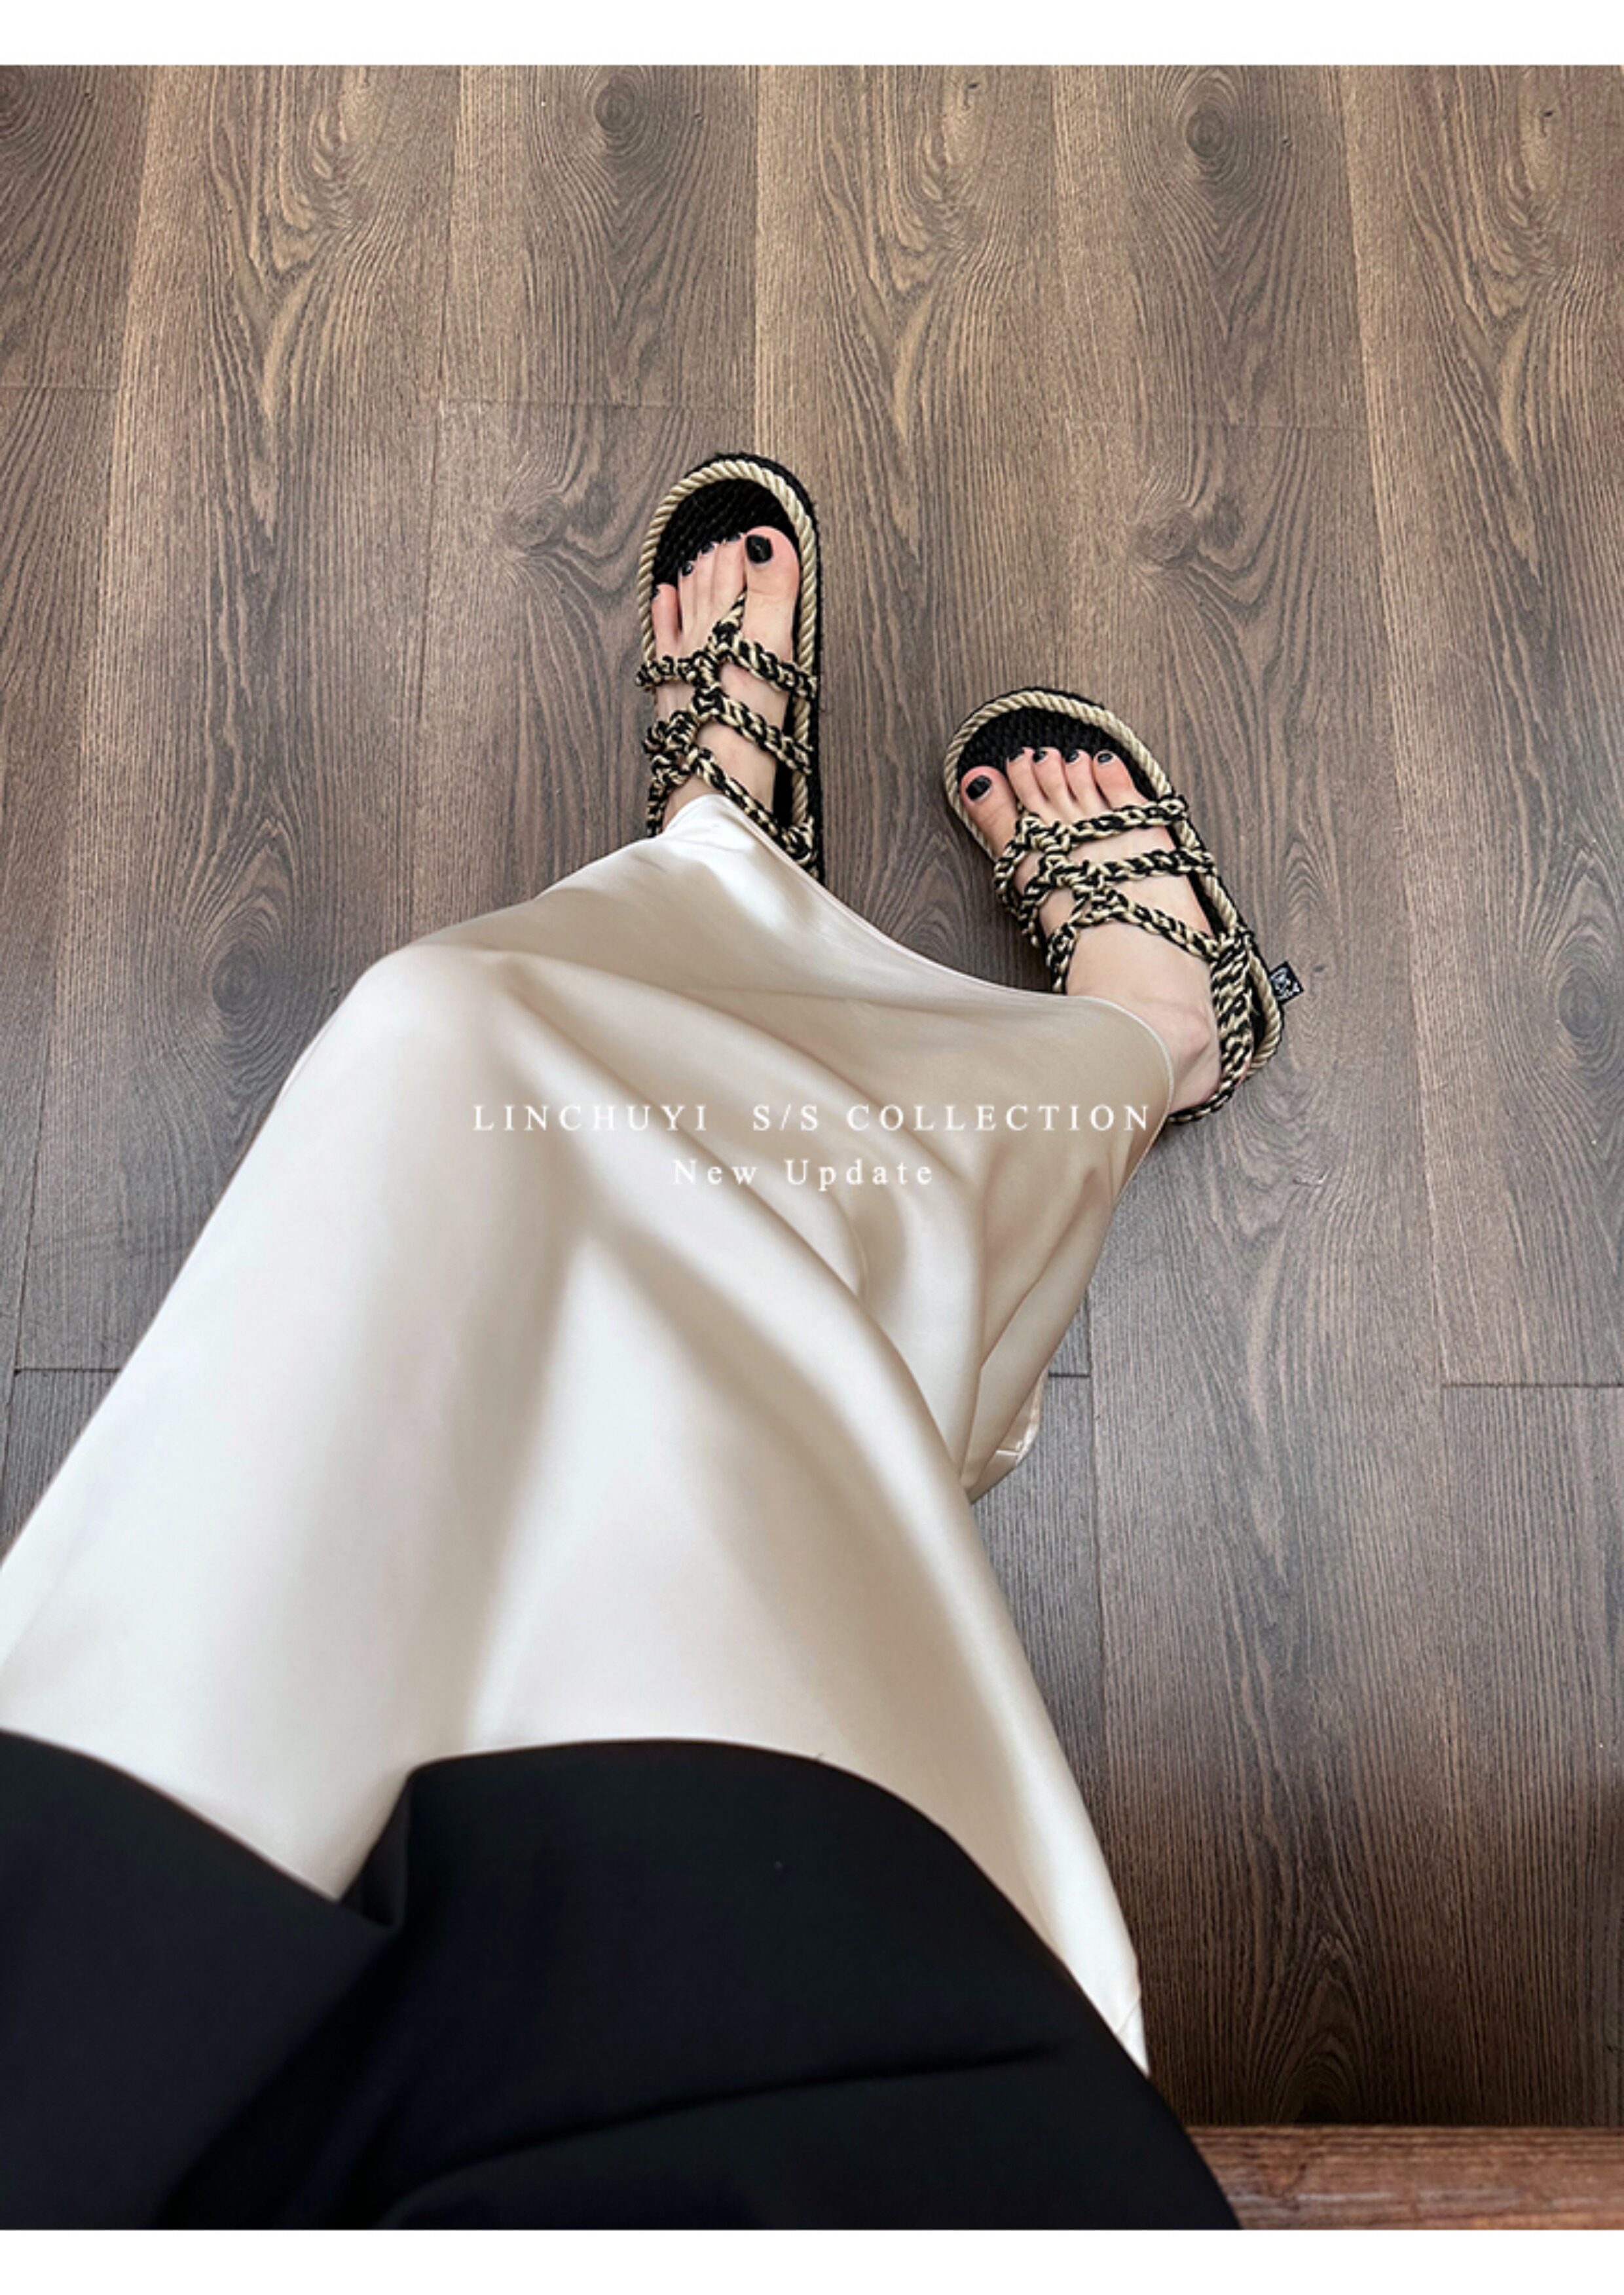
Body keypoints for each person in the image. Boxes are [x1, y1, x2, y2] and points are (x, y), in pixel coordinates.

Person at [0, 454, 1287, 2228]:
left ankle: (720, 874)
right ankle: (1149, 1038)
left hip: (103, 1959)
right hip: (772, 2051)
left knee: (446, 1041)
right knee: (695, 1375)